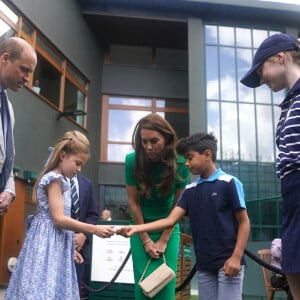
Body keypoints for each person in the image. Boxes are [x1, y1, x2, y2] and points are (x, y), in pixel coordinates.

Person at [118, 132, 250, 300]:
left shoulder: (229, 182)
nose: (186, 164)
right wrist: (136, 228)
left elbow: (244, 222)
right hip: (204, 265)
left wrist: (236, 257)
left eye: (190, 158)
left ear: (207, 155)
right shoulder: (190, 190)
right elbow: (170, 220)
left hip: (228, 263)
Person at [4, 130, 115, 299]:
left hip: (51, 245)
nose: (79, 169)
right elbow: (59, 219)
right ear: (63, 156)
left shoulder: (60, 180)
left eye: (81, 165)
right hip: (45, 246)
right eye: (77, 163)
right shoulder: (54, 179)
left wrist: (68, 248)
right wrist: (93, 229)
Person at [240, 33, 300, 299]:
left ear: (281, 57)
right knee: (293, 265)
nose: (261, 78)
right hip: (291, 193)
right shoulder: (287, 105)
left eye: (261, 69)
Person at [124, 113, 190, 300]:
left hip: (168, 228)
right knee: (144, 287)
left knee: (164, 285)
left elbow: (178, 205)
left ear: (167, 139)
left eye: (154, 141)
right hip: (140, 227)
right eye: (144, 141)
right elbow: (133, 203)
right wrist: (145, 239)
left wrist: (163, 240)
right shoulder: (132, 161)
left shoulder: (180, 163)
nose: (148, 147)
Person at [0, 37, 37, 216]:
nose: (28, 79)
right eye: (24, 70)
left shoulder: (9, 109)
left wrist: (9, 191)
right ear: (5, 59)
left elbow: (6, 158)